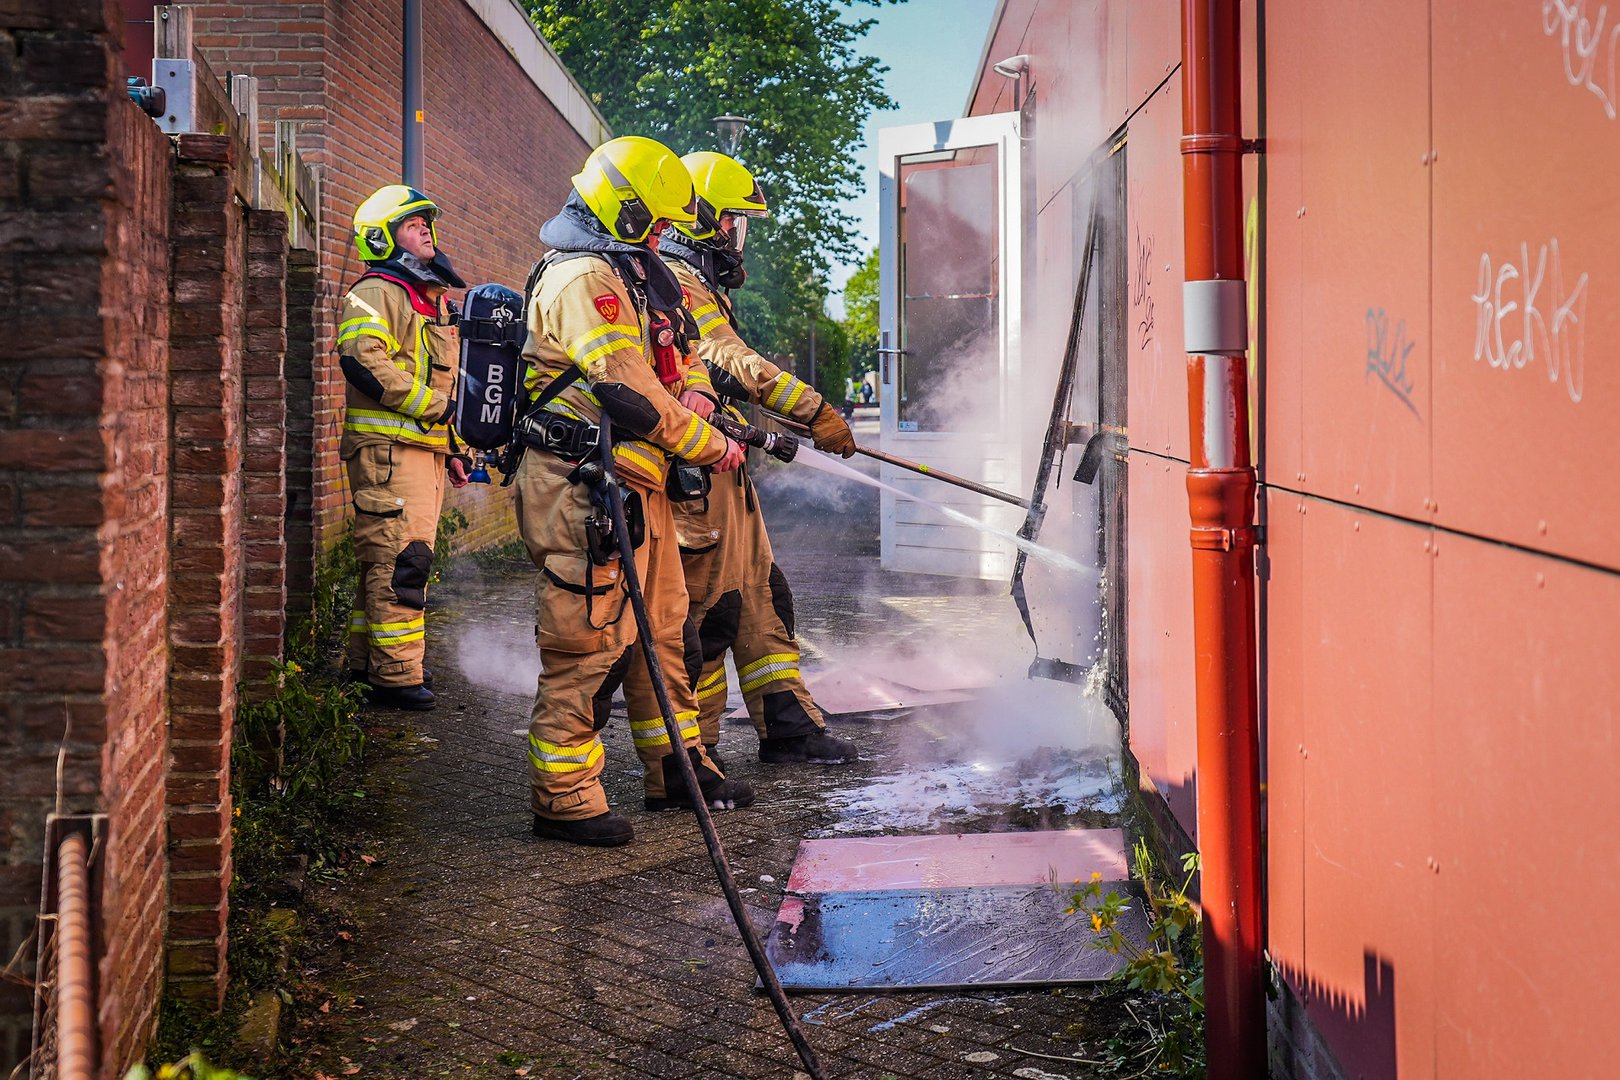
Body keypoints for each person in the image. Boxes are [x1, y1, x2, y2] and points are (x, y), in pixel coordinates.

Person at [516, 136, 754, 847]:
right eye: (654, 222)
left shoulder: (631, 271)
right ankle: (563, 797)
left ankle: (677, 769)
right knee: (589, 643)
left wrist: (699, 393)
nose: (661, 237)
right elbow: (626, 392)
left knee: (667, 633)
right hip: (580, 487)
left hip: (634, 486)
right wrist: (710, 444)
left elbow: (678, 356)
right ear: (623, 211)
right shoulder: (582, 278)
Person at [659, 151, 859, 766]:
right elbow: (728, 359)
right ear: (700, 217)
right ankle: (694, 752)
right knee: (709, 617)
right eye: (732, 221)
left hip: (723, 475)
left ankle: (788, 725)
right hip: (693, 481)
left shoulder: (696, 285)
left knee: (763, 596)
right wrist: (813, 409)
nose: (736, 236)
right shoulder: (676, 281)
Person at [338, 185, 470, 711]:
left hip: (420, 450)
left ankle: (369, 663)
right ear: (381, 238)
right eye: (414, 225)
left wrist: (452, 446)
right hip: (389, 452)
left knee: (387, 559)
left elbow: (441, 379)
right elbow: (362, 359)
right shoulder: (377, 292)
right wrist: (438, 411)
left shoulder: (425, 297)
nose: (426, 232)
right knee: (402, 562)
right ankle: (395, 676)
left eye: (426, 224)